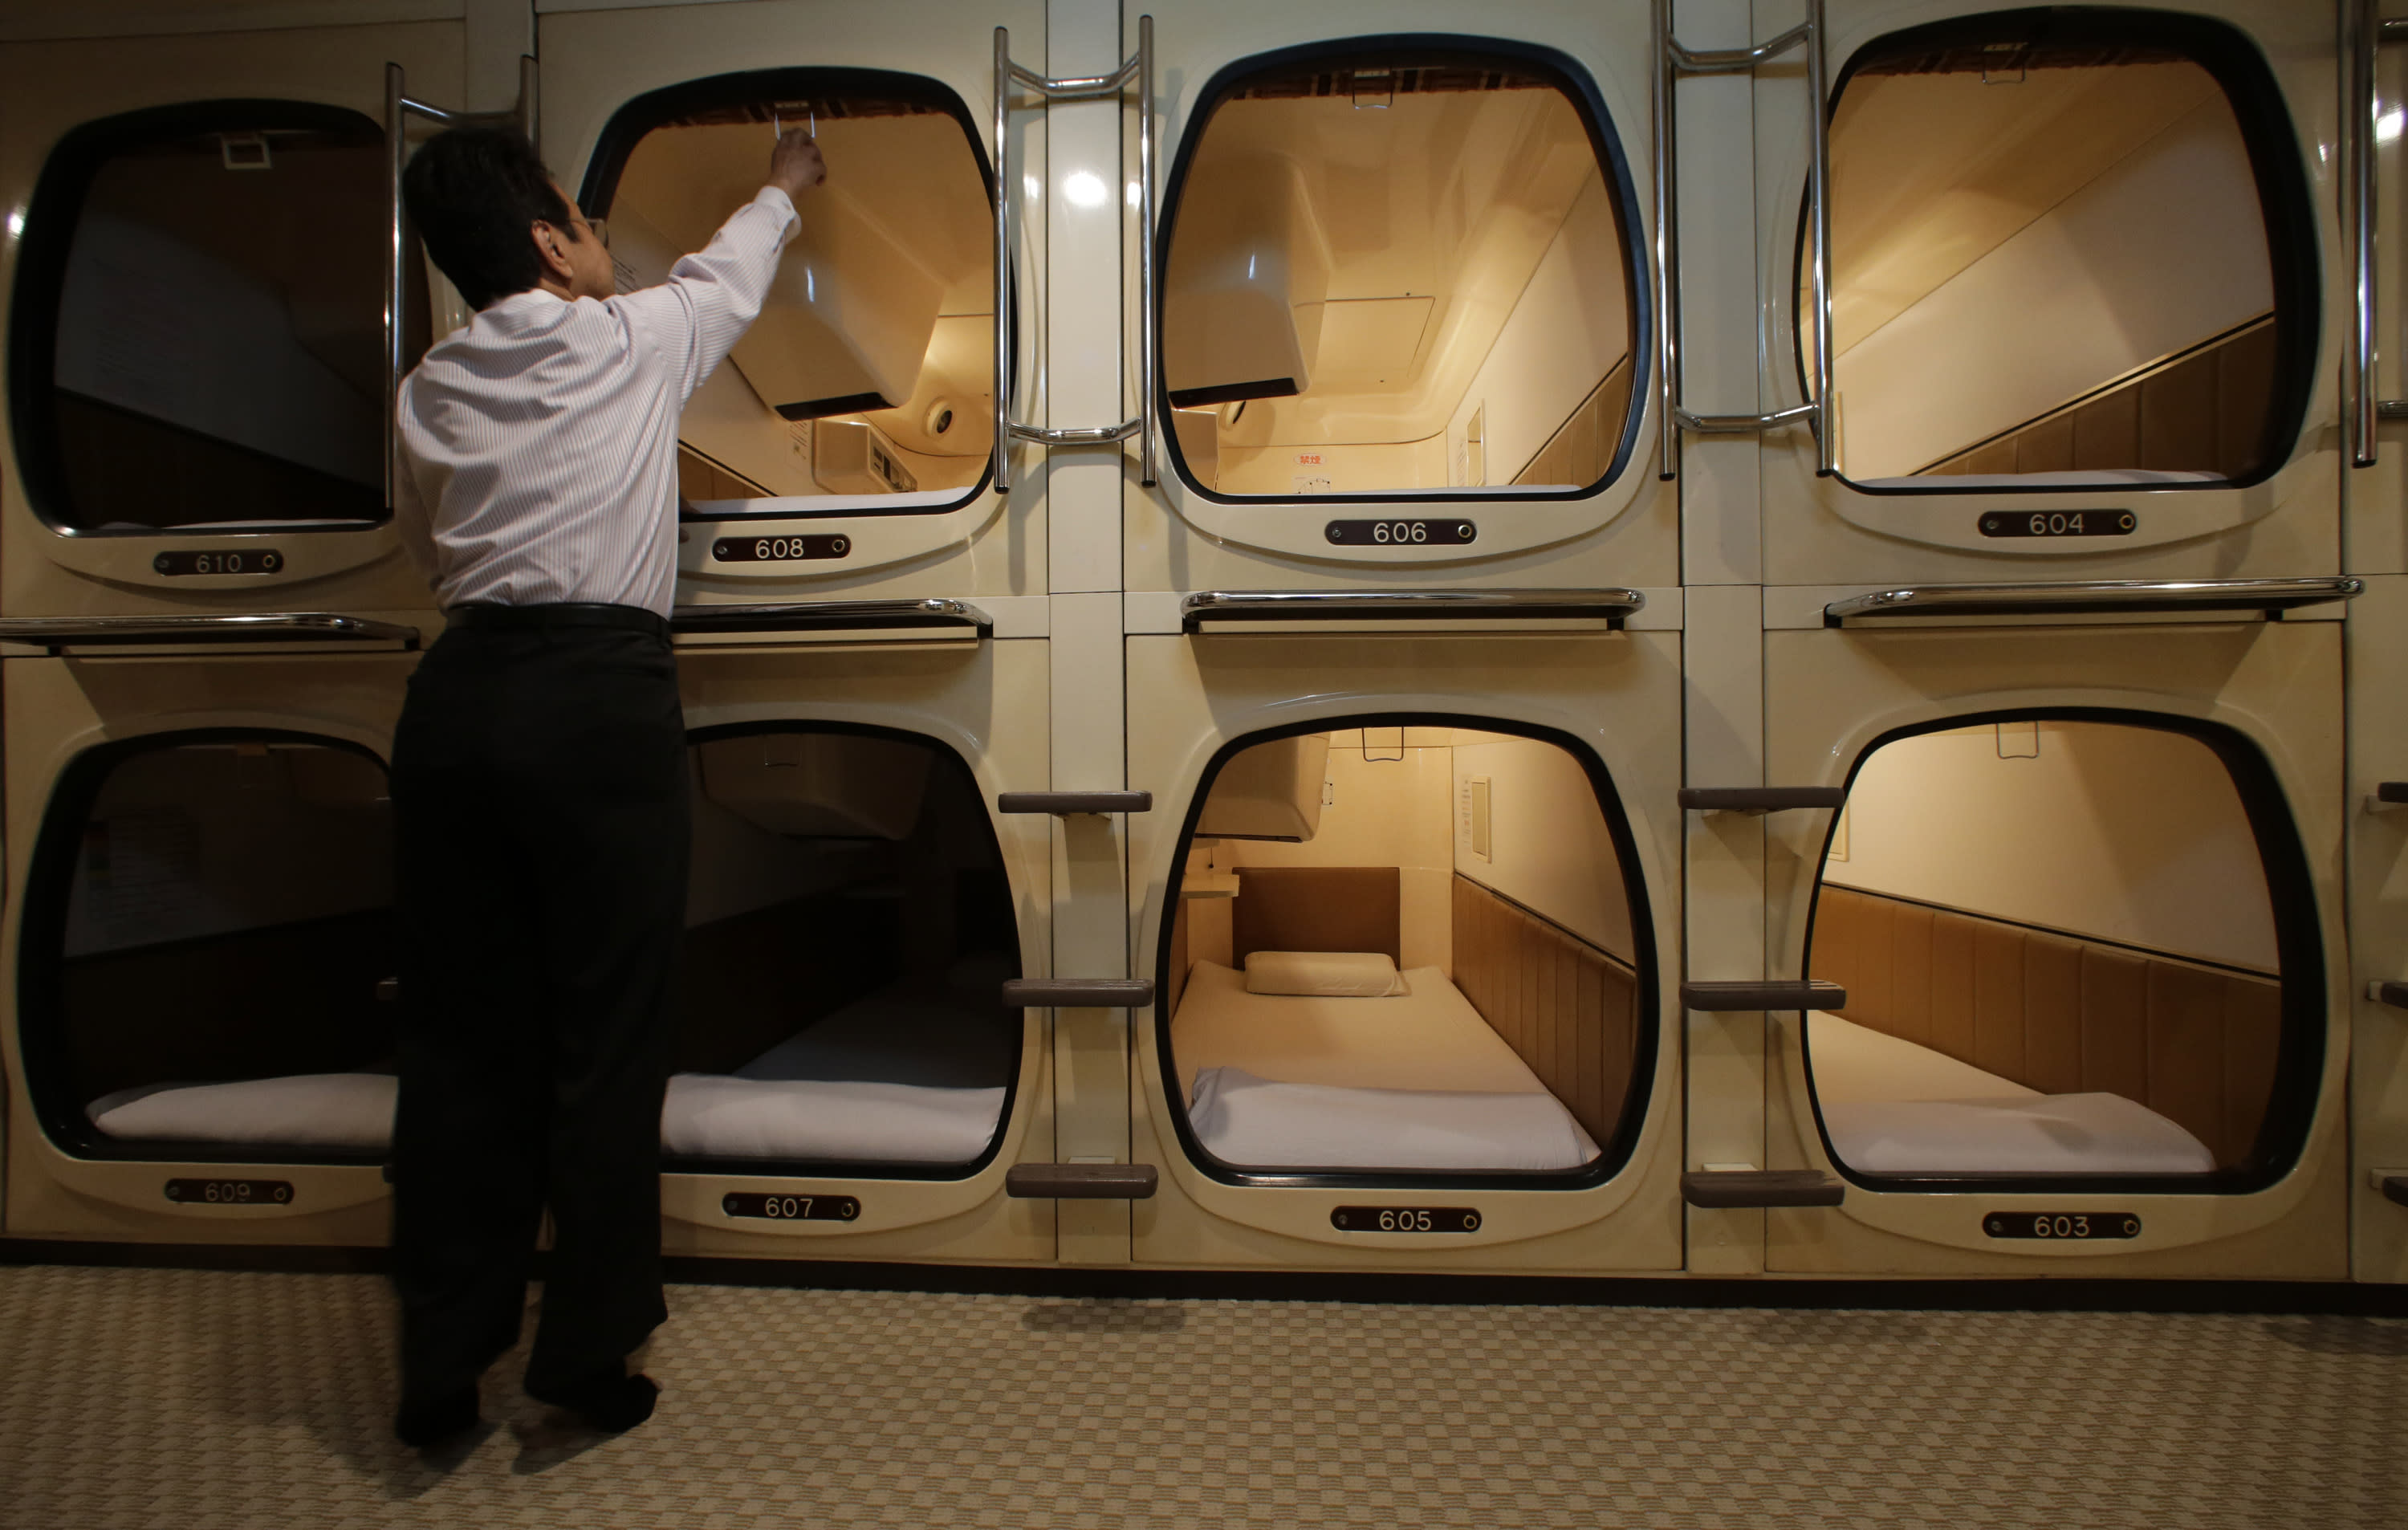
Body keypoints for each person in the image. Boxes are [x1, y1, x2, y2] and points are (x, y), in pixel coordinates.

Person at [385, 123, 825, 1449]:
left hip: (457, 705)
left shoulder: (424, 389)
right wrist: (786, 182)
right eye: (582, 217)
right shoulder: (627, 337)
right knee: (606, 1037)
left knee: (460, 1045)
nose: (599, 236)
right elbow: (728, 272)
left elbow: (427, 548)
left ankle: (440, 1368)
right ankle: (583, 1355)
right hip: (596, 701)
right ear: (548, 244)